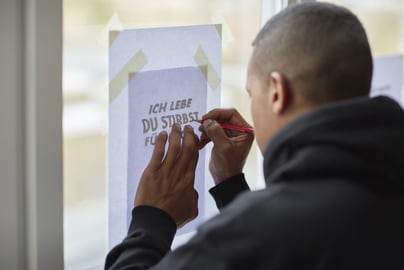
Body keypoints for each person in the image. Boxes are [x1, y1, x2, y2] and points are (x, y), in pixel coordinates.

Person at [105, 2, 404, 269]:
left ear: (276, 92)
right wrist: (231, 187)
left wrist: (152, 219)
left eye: (251, 93)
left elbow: (269, 236)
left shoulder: (255, 233)